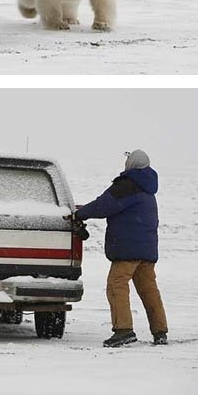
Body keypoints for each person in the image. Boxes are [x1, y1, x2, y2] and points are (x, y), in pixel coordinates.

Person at [73, 149, 168, 348]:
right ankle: (160, 331)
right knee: (149, 289)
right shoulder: (147, 188)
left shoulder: (127, 185)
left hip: (128, 249)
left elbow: (103, 205)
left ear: (131, 164)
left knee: (116, 285)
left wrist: (80, 214)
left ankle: (123, 330)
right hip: (146, 250)